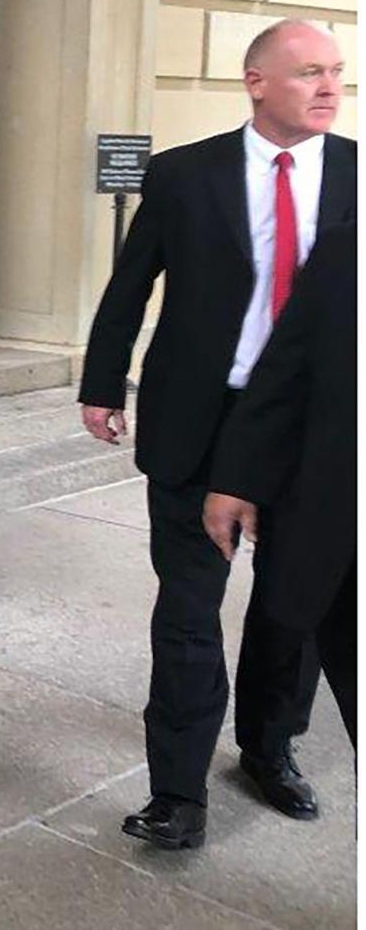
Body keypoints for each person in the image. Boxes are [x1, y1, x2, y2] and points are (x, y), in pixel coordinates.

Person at [80, 18, 353, 851]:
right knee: (189, 609)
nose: (330, 87)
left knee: (293, 607)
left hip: (312, 435)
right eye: (309, 72)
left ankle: (269, 749)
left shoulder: (356, 176)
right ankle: (178, 792)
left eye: (337, 71)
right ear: (256, 81)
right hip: (199, 421)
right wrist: (101, 383)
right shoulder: (182, 175)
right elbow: (130, 285)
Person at [204, 222, 356, 749]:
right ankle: (266, 744)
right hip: (340, 519)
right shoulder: (348, 246)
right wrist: (237, 477)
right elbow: (287, 366)